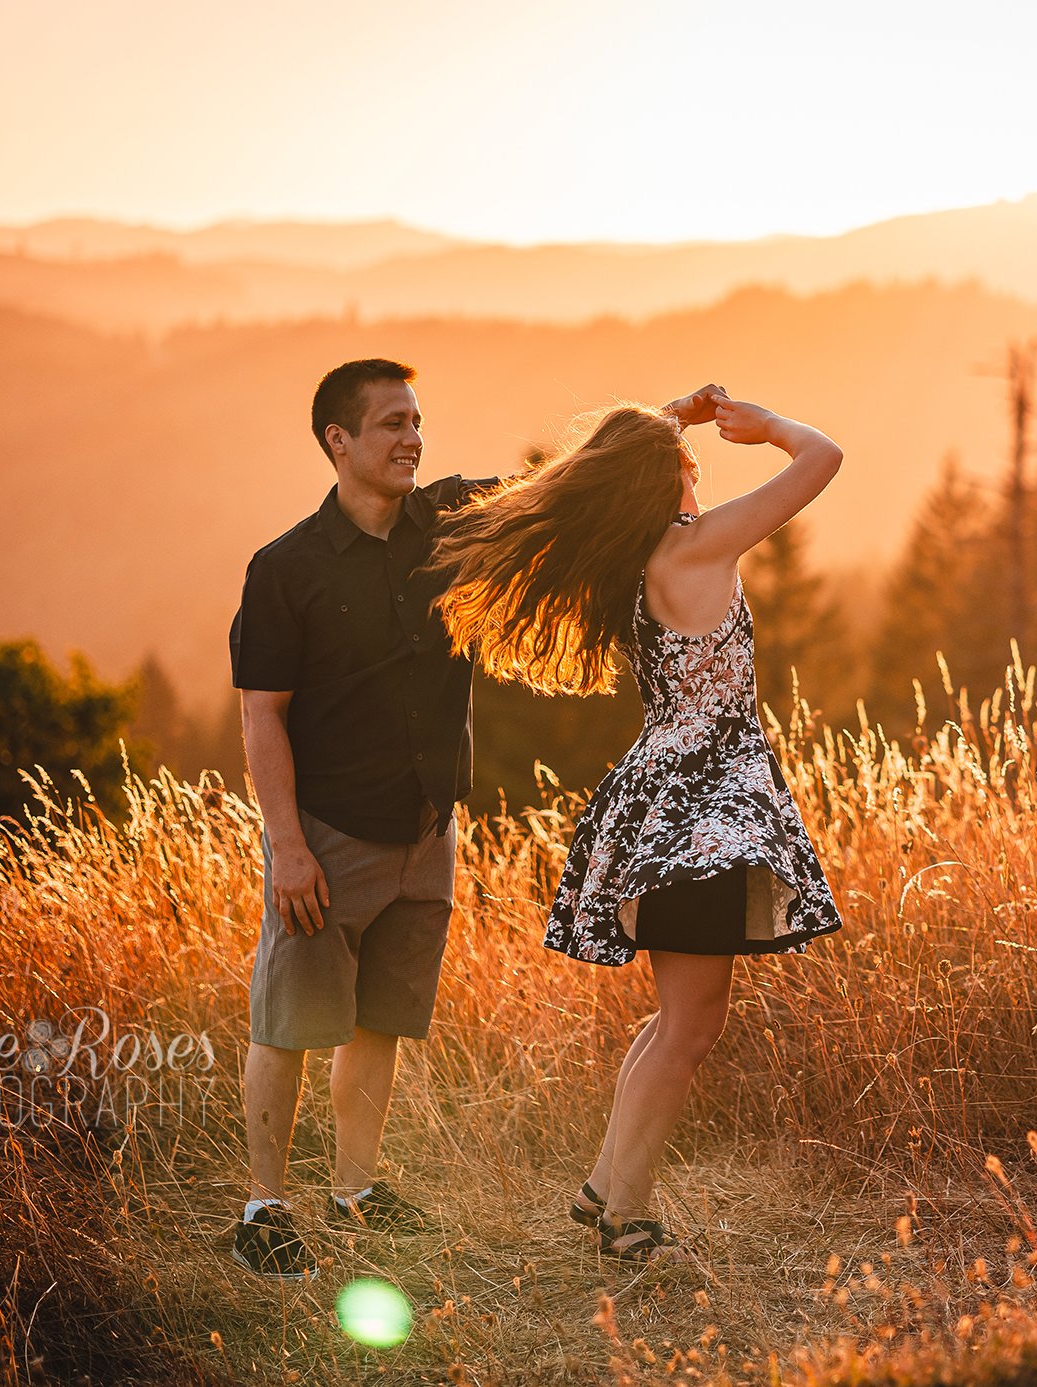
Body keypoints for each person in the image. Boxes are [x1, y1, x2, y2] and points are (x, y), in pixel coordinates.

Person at [225, 357, 723, 1277]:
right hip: (327, 834)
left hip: (426, 829)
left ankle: (356, 1190)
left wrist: (670, 421)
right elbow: (262, 713)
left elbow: (573, 482)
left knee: (381, 1021)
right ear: (337, 441)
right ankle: (264, 1207)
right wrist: (287, 846)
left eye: (416, 420)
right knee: (289, 1021)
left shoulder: (448, 519)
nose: (412, 437)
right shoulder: (284, 569)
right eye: (389, 425)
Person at [428, 389, 845, 1261]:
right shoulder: (696, 547)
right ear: (671, 480)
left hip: (667, 804)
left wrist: (675, 419)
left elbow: (616, 458)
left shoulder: (636, 556)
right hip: (705, 814)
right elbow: (823, 460)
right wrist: (767, 427)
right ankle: (629, 1216)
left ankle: (606, 1183)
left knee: (676, 1019)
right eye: (689, 465)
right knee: (690, 1026)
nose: (699, 474)